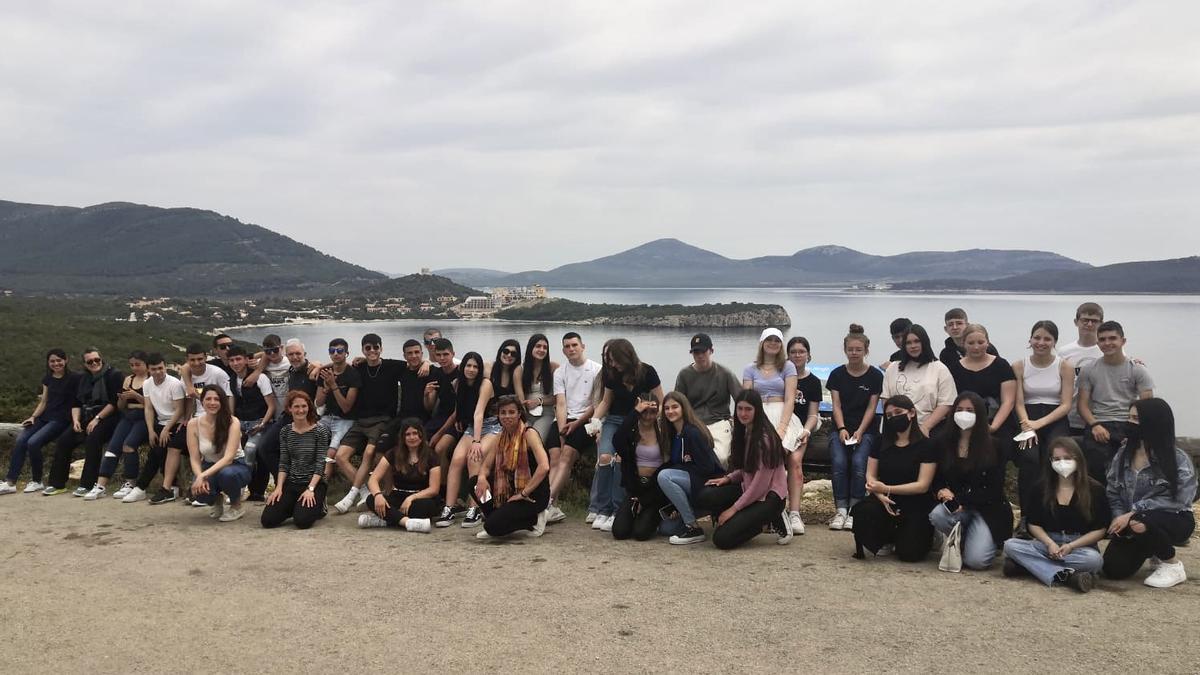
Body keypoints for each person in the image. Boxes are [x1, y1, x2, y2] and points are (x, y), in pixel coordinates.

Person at [1102, 399, 1197, 588]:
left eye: (1136, 418)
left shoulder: (1178, 459)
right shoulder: (1123, 454)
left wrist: (1133, 512)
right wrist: (1118, 517)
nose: (1130, 423)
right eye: (1129, 417)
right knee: (1113, 570)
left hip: (1173, 519)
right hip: (1132, 521)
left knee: (1141, 521)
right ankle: (1153, 549)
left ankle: (1172, 564)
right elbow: (1113, 491)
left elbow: (1180, 500)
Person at [1001, 437, 1106, 592]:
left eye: (1067, 458)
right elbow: (1033, 524)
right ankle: (1067, 576)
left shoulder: (1095, 489)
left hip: (1080, 546)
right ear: (1050, 461)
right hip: (1046, 543)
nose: (1062, 462)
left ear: (1078, 459)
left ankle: (1027, 567)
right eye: (1056, 459)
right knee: (1010, 546)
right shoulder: (1041, 487)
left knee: (1094, 560)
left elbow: (1100, 530)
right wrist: (1049, 543)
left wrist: (1071, 546)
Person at [697, 390, 793, 549]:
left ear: (757, 410)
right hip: (750, 489)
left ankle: (770, 519)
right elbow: (747, 470)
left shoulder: (765, 440)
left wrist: (733, 510)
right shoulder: (746, 431)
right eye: (740, 408)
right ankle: (748, 520)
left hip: (768, 497)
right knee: (706, 494)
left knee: (722, 539)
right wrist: (728, 478)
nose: (743, 413)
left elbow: (760, 485)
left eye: (748, 409)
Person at [928, 392, 1013, 570]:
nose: (963, 414)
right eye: (959, 409)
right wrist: (941, 491)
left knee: (976, 562)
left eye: (969, 410)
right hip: (956, 508)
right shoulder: (942, 443)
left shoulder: (996, 446)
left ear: (980, 414)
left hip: (987, 510)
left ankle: (985, 541)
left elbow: (995, 488)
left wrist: (962, 501)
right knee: (937, 515)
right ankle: (965, 538)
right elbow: (936, 479)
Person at [590, 338, 664, 532]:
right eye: (610, 361)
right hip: (614, 420)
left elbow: (661, 401)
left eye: (615, 360)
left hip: (637, 423)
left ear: (627, 357)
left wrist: (655, 426)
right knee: (605, 457)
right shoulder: (611, 374)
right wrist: (595, 422)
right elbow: (606, 402)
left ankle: (616, 509)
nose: (612, 364)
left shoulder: (648, 372)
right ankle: (601, 508)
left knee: (622, 459)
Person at [850, 395, 937, 561]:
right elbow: (871, 474)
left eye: (898, 412)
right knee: (864, 511)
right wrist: (879, 493)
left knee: (910, 554)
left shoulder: (927, 445)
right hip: (885, 499)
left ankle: (922, 535)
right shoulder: (880, 441)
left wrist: (887, 489)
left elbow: (923, 485)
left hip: (915, 502)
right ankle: (887, 537)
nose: (893, 417)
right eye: (889, 415)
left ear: (911, 413)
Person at [1012, 320, 1074, 530]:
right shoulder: (1019, 365)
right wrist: (1027, 424)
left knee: (1058, 461)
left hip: (1054, 418)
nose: (1041, 342)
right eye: (1037, 337)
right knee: (1029, 460)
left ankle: (1057, 513)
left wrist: (1039, 423)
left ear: (1054, 341)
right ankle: (1027, 517)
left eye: (1047, 338)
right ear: (1030, 339)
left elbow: (1066, 404)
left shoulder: (1064, 366)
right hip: (1027, 417)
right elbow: (1018, 402)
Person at [330, 333, 401, 512]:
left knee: (370, 452)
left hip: (382, 421)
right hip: (360, 422)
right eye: (368, 348)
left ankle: (352, 495)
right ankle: (365, 491)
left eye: (375, 347)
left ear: (381, 348)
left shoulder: (392, 366)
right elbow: (336, 366)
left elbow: (415, 363)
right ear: (362, 349)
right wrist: (316, 366)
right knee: (340, 456)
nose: (372, 351)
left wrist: (425, 363)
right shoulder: (358, 368)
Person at [1077, 321, 1154, 484]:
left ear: (1123, 341)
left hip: (1128, 422)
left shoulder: (1137, 369)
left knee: (1128, 468)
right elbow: (1082, 405)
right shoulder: (1089, 369)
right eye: (1102, 339)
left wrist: (1135, 428)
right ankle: (1100, 506)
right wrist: (1095, 425)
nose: (1107, 343)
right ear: (1097, 343)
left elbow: (1148, 404)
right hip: (1099, 422)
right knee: (1096, 468)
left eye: (1112, 338)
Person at [826, 324, 884, 531]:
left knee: (860, 463)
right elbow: (836, 405)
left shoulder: (875, 376)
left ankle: (855, 509)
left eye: (858, 349)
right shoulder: (837, 375)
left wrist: (860, 431)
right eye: (851, 349)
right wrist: (842, 429)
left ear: (866, 350)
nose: (854, 353)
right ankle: (841, 509)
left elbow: (871, 408)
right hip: (840, 429)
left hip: (866, 430)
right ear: (845, 350)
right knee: (839, 462)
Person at [469, 396, 551, 539]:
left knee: (491, 527)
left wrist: (523, 493)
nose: (507, 416)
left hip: (531, 495)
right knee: (474, 483)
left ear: (519, 413)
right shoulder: (500, 437)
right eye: (503, 412)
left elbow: (544, 466)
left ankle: (534, 519)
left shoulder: (529, 433)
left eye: (511, 412)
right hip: (510, 491)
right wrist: (482, 478)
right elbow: (486, 466)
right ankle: (498, 518)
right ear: (498, 415)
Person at [45, 348, 124, 496]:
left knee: (93, 440)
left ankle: (87, 484)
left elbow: (114, 403)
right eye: (90, 361)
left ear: (102, 359)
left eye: (97, 360)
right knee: (63, 441)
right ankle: (57, 484)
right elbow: (76, 402)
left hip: (108, 417)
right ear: (85, 364)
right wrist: (75, 421)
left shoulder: (113, 375)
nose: (94, 363)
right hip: (86, 416)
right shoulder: (83, 379)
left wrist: (97, 419)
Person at [1, 349, 79, 495]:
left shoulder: (75, 378)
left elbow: (78, 401)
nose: (56, 363)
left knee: (33, 442)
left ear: (66, 360)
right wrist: (33, 417)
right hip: (44, 417)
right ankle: (10, 482)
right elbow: (44, 401)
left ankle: (37, 481)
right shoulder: (48, 379)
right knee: (21, 440)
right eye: (52, 361)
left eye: (59, 360)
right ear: (48, 363)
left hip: (61, 419)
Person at [543, 332, 601, 524]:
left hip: (586, 420)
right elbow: (561, 403)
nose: (571, 349)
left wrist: (576, 424)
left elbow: (595, 404)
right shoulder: (560, 372)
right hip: (564, 419)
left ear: (582, 346)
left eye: (574, 345)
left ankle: (547, 503)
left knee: (566, 455)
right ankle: (553, 506)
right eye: (567, 346)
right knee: (554, 456)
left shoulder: (596, 370)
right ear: (563, 350)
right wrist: (561, 431)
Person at [437, 352, 497, 528]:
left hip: (492, 427)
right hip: (471, 427)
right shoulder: (458, 383)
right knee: (456, 460)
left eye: (475, 366)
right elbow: (460, 407)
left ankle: (477, 507)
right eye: (468, 366)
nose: (471, 370)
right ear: (462, 367)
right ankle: (449, 507)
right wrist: (459, 421)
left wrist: (476, 442)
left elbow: (479, 413)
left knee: (473, 457)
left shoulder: (485, 384)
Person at [655, 392, 723, 545]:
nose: (670, 411)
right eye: (666, 408)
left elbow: (707, 467)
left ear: (684, 408)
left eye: (675, 407)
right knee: (665, 528)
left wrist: (680, 472)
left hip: (706, 483)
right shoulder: (673, 433)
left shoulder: (693, 432)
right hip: (691, 483)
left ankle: (693, 527)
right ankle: (688, 517)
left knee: (664, 476)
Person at [122, 353, 188, 503]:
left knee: (158, 449)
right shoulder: (148, 384)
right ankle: (170, 487)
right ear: (149, 370)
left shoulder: (174, 384)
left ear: (165, 367)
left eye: (160, 368)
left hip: (176, 423)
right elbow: (149, 409)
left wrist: (166, 429)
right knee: (156, 445)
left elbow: (179, 410)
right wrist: (151, 430)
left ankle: (141, 487)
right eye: (154, 369)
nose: (158, 372)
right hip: (160, 422)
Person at [261, 391, 331, 529]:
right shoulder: (285, 431)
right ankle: (293, 505)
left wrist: (311, 489)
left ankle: (319, 504)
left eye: (304, 406)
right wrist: (279, 488)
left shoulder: (320, 431)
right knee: (268, 520)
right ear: (289, 409)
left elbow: (320, 463)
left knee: (302, 522)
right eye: (297, 407)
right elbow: (284, 462)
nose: (300, 410)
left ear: (309, 407)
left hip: (313, 483)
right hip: (292, 482)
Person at [173, 343, 233, 505]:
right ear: (187, 360)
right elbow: (189, 400)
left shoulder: (217, 373)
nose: (197, 363)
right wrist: (186, 419)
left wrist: (229, 418)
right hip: (198, 418)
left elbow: (227, 397)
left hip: (218, 416)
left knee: (208, 448)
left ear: (206, 358)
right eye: (192, 360)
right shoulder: (186, 375)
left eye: (200, 359)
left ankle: (206, 487)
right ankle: (172, 487)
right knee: (175, 443)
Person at [357, 418, 440, 532]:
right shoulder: (393, 453)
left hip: (420, 497)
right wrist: (378, 495)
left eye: (415, 433)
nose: (412, 437)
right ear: (403, 437)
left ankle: (386, 520)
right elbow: (373, 479)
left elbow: (434, 489)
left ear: (421, 434)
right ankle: (407, 522)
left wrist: (411, 498)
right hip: (398, 495)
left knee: (428, 506)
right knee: (371, 499)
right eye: (408, 434)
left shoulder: (431, 455)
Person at [673, 333, 742, 468]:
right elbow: (677, 402)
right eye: (696, 352)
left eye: (703, 351)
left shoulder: (725, 373)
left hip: (719, 421)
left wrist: (738, 421)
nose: (700, 355)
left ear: (711, 351)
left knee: (721, 458)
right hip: (694, 424)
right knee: (689, 459)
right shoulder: (684, 375)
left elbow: (741, 399)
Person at [185, 385, 250, 522]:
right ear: (202, 401)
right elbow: (195, 458)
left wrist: (203, 475)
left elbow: (228, 458)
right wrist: (199, 477)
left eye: (217, 399)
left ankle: (236, 505)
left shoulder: (232, 422)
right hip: (208, 465)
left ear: (222, 402)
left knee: (227, 474)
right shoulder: (193, 424)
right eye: (208, 399)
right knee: (198, 491)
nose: (212, 403)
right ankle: (216, 500)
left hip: (235, 465)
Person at [91, 351, 150, 500]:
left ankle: (130, 482)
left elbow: (154, 405)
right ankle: (101, 485)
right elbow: (121, 406)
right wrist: (123, 399)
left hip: (144, 416)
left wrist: (137, 396)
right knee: (113, 447)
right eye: (132, 365)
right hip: (128, 415)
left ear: (146, 364)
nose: (135, 368)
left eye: (138, 364)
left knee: (128, 445)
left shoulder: (151, 380)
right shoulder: (128, 380)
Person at [881, 324, 956, 436]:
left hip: (929, 430)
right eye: (908, 343)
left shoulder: (940, 369)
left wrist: (925, 427)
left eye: (917, 341)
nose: (913, 346)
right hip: (896, 430)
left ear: (924, 342)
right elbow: (886, 399)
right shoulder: (892, 368)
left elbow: (946, 403)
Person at [611, 396, 668, 541]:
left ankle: (652, 518)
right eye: (644, 412)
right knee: (620, 532)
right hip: (635, 488)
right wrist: (635, 412)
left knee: (641, 533)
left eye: (652, 412)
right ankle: (636, 516)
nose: (648, 416)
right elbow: (617, 440)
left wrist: (645, 499)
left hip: (655, 490)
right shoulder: (631, 432)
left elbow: (669, 464)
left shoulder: (664, 432)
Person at [783, 336, 822, 534]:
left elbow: (813, 414)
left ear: (808, 355)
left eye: (801, 352)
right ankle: (775, 509)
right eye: (793, 352)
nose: (797, 355)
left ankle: (794, 513)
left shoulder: (813, 382)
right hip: (782, 427)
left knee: (795, 460)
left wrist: (806, 430)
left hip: (801, 429)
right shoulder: (780, 378)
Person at [742, 328, 803, 455]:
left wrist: (782, 428)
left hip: (782, 414)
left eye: (777, 340)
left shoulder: (788, 367)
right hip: (758, 414)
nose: (773, 343)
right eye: (769, 339)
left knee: (778, 449)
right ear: (762, 343)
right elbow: (747, 399)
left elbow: (789, 399)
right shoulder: (750, 369)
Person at [227, 345, 275, 474]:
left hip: (259, 421)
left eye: (238, 359)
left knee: (250, 449)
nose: (235, 363)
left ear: (246, 360)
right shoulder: (231, 380)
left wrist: (263, 424)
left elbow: (271, 405)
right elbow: (231, 403)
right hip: (240, 422)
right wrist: (231, 422)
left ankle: (245, 477)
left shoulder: (260, 378)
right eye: (232, 360)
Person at [1058, 302, 1104, 434]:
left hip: (1099, 418)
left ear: (1101, 323)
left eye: (1094, 321)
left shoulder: (1106, 349)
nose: (1089, 324)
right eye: (1085, 320)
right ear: (1076, 322)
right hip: (1070, 417)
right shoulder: (1064, 351)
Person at [514, 333, 559, 444]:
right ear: (531, 348)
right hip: (526, 414)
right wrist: (523, 419)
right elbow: (520, 399)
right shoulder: (520, 370)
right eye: (538, 346)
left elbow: (559, 398)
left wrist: (539, 401)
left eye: (545, 347)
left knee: (534, 441)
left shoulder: (553, 367)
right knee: (518, 440)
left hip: (546, 414)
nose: (542, 350)